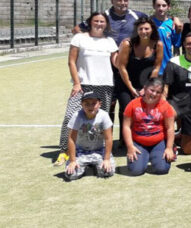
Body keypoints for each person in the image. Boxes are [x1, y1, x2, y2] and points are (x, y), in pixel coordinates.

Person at [56, 12, 119, 166]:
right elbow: (71, 61)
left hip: (105, 86)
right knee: (70, 116)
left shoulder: (110, 41)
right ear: (90, 23)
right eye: (96, 21)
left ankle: (100, 150)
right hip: (83, 85)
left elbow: (116, 62)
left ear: (106, 24)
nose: (99, 24)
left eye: (102, 21)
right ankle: (64, 151)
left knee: (100, 121)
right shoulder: (79, 38)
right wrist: (77, 83)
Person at [114, 17, 163, 145]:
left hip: (146, 83)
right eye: (140, 29)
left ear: (152, 29)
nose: (143, 31)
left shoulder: (158, 45)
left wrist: (146, 87)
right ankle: (124, 140)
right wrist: (131, 88)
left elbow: (157, 67)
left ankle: (140, 138)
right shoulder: (127, 44)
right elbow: (122, 67)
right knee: (126, 109)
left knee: (143, 111)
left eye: (146, 28)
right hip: (126, 82)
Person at [122, 78, 176, 176]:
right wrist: (130, 146)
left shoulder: (166, 106)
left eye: (158, 92)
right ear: (145, 88)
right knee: (135, 171)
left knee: (162, 169)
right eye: (152, 90)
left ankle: (156, 155)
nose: (154, 94)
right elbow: (126, 127)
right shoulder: (133, 104)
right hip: (138, 142)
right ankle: (144, 157)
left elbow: (170, 128)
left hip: (158, 141)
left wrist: (169, 148)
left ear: (162, 93)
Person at [64, 91, 115, 180]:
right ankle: (86, 166)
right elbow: (71, 139)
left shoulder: (104, 115)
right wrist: (72, 160)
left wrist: (106, 159)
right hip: (81, 151)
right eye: (86, 104)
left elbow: (108, 138)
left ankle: (93, 165)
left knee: (107, 172)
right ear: (81, 104)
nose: (90, 106)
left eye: (94, 103)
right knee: (71, 175)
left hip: (99, 150)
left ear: (99, 104)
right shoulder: (77, 116)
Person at [72, 0, 147, 44]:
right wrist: (92, 39)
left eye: (125, 0)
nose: (123, 3)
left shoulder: (138, 15)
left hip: (131, 56)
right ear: (112, 1)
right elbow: (76, 30)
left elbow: (151, 29)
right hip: (107, 56)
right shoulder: (102, 16)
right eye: (119, 0)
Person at [149, 0, 181, 75]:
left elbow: (176, 47)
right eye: (158, 5)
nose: (161, 8)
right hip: (149, 68)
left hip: (166, 67)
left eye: (164, 5)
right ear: (153, 6)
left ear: (168, 7)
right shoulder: (148, 23)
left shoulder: (173, 24)